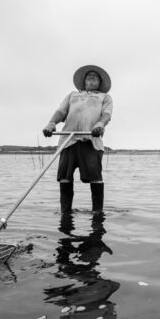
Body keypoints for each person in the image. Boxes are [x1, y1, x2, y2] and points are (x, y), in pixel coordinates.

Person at [43, 65, 113, 212]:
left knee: (95, 177)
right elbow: (61, 111)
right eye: (89, 75)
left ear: (100, 82)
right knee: (65, 178)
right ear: (84, 80)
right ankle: (66, 213)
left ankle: (97, 214)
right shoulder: (72, 95)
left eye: (95, 76)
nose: (92, 77)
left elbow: (106, 115)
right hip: (68, 141)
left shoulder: (104, 97)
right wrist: (51, 123)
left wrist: (100, 124)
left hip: (90, 141)